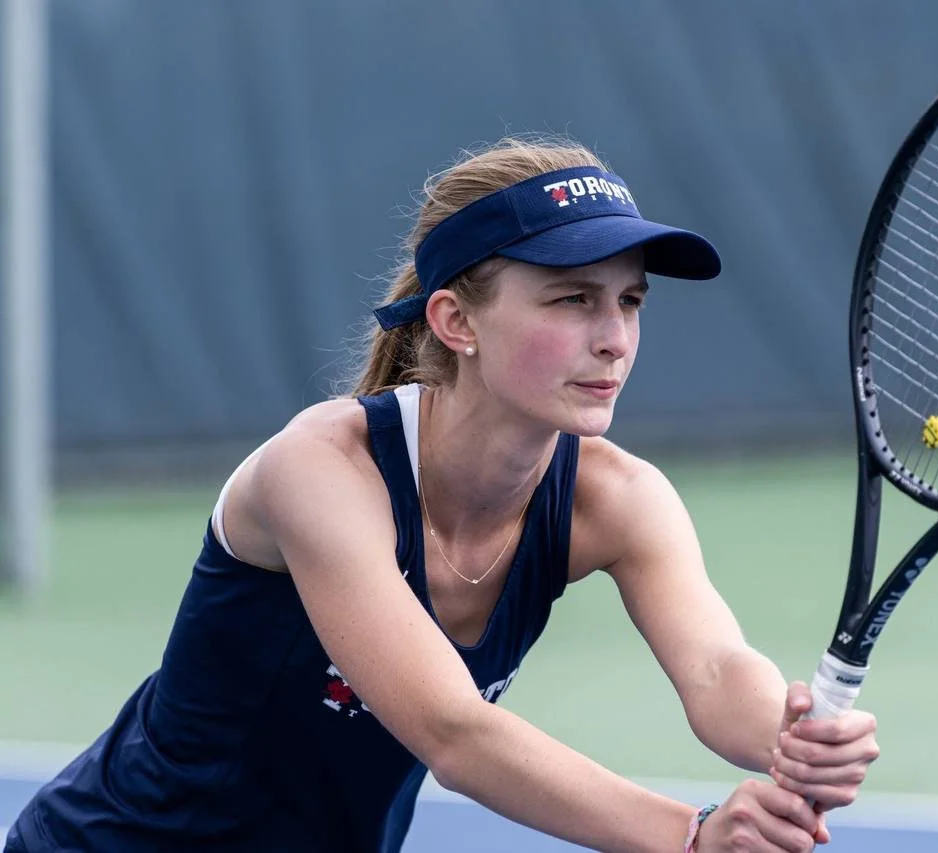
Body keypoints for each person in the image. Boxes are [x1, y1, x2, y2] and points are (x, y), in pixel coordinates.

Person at [5, 136, 879, 853]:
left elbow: (718, 668)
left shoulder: (617, 500)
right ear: (456, 322)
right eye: (573, 299)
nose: (614, 338)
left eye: (630, 301)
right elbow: (456, 735)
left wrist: (790, 732)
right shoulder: (320, 470)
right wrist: (688, 836)